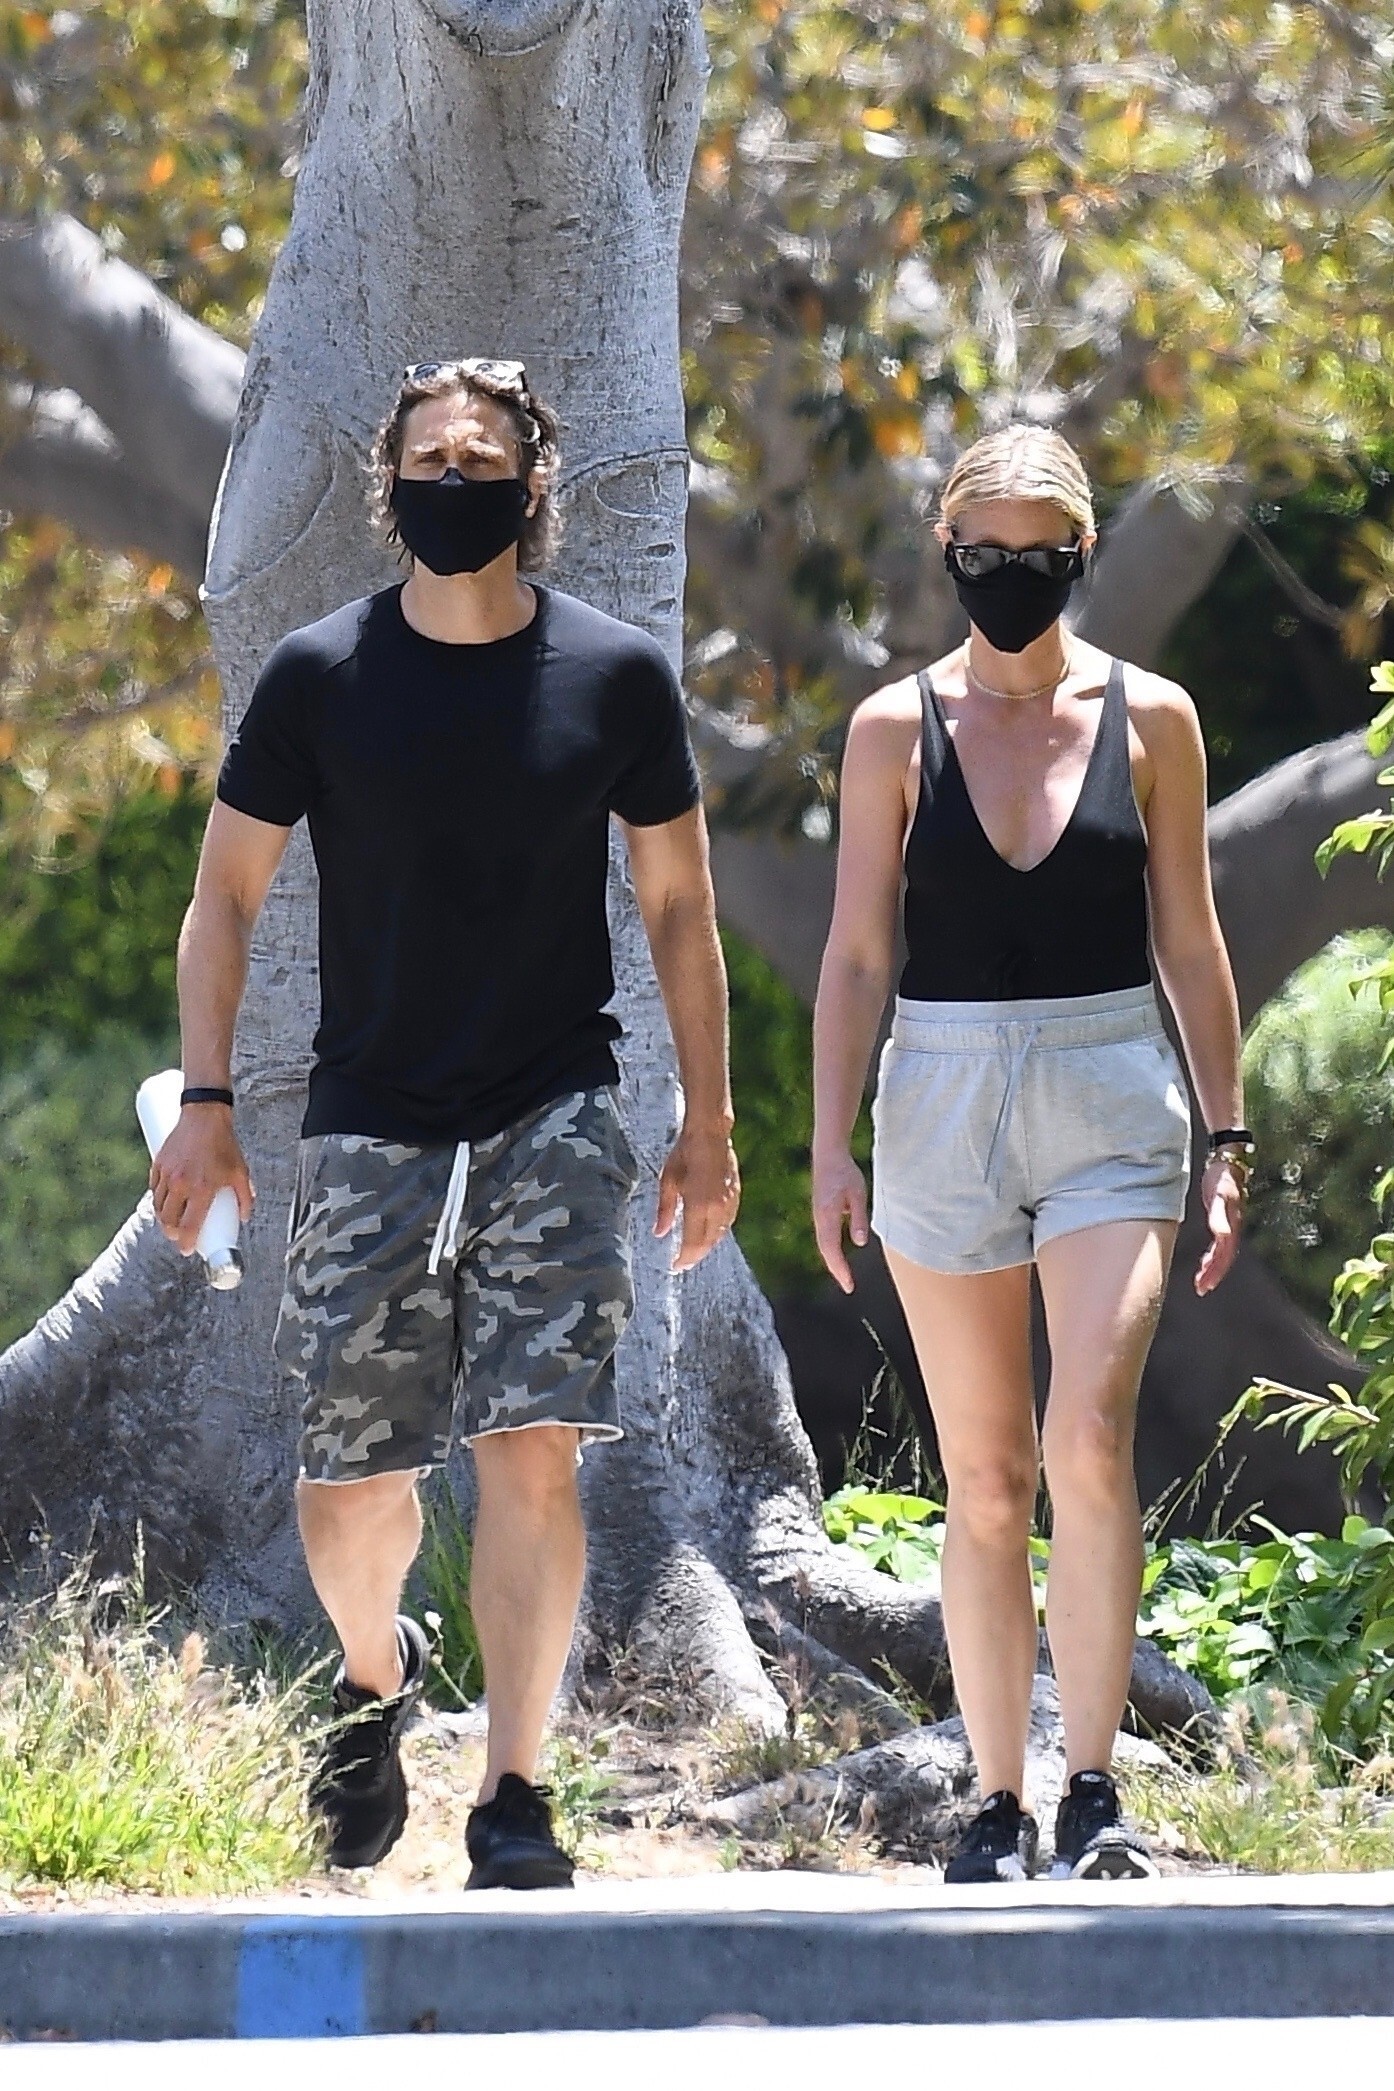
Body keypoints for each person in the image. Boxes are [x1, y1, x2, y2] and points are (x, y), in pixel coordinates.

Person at [151, 357, 739, 1888]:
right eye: (428, 461)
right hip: (372, 1116)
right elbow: (224, 898)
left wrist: (709, 1120)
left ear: (531, 487)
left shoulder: (613, 674)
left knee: (533, 1453)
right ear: (389, 486)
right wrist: (206, 1102)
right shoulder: (321, 675)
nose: (453, 482)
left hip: (559, 1107)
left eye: (480, 461)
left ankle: (515, 1793)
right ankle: (374, 1677)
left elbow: (679, 908)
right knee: (352, 1481)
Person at [811, 423, 1249, 1883]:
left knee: (1087, 1440)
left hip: (1110, 1091)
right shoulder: (892, 729)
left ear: (1081, 553)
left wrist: (1227, 1133)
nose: (1010, 574)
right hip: (938, 1096)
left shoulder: (1151, 718)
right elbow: (857, 954)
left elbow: (1190, 939)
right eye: (984, 552)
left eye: (1038, 552)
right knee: (988, 1476)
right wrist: (828, 1147)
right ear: (948, 553)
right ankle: (994, 1801)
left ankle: (1092, 1790)